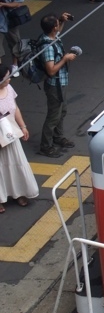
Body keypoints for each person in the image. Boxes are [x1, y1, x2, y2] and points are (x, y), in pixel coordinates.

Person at [38, 12, 77, 159]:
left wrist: (61, 21)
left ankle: (58, 137)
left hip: (61, 82)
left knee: (62, 110)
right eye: (56, 24)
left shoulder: (49, 37)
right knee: (54, 115)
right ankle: (46, 146)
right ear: (53, 28)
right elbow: (51, 70)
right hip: (55, 85)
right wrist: (65, 59)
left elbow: (57, 32)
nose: (58, 26)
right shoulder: (48, 47)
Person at [0, 64, 38, 210]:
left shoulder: (9, 89)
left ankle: (19, 193)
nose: (9, 79)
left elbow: (15, 109)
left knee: (17, 164)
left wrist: (23, 126)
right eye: (6, 77)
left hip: (10, 133)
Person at [0, 0, 28, 76]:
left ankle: (15, 65)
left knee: (15, 44)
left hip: (10, 20)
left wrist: (3, 4)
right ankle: (1, 70)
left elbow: (18, 2)